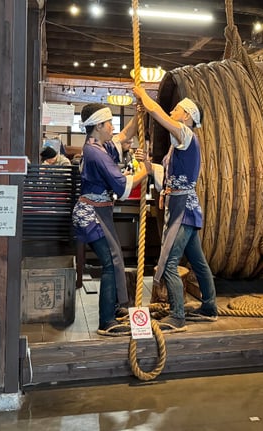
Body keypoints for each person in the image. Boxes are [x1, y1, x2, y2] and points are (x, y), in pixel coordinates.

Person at [133, 86, 218, 333]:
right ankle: (209, 306)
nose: (172, 111)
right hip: (183, 207)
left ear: (188, 117)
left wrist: (144, 97)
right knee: (198, 261)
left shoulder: (186, 134)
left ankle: (177, 315)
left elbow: (158, 112)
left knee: (169, 262)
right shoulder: (179, 143)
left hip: (183, 209)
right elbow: (168, 175)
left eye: (177, 109)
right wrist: (149, 166)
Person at [72, 103, 151, 337]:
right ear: (98, 126)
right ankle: (106, 321)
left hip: (99, 212)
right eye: (108, 124)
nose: (112, 127)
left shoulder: (99, 146)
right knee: (109, 263)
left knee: (115, 261)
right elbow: (123, 186)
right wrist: (145, 170)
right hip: (92, 214)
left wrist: (141, 113)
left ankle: (116, 309)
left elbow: (127, 134)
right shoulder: (97, 154)